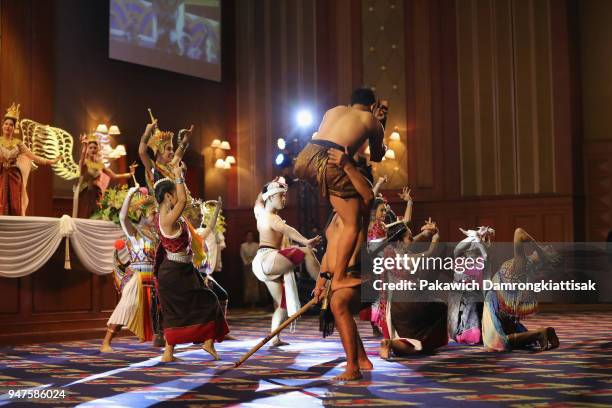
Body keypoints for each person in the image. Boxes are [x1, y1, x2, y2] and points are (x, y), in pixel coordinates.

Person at [295, 87, 386, 381]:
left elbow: (369, 196)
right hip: (340, 268)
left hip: (306, 157)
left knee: (337, 305)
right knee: (337, 303)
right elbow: (378, 153)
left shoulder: (334, 110)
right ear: (371, 107)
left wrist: (348, 164)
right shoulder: (344, 209)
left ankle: (357, 363)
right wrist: (324, 277)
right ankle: (357, 361)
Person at [153, 166, 229, 362]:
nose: (179, 199)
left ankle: (169, 353)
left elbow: (184, 199)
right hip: (174, 272)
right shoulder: (168, 218)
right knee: (208, 301)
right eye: (175, 195)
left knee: (176, 311)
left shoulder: (165, 216)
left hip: (179, 270)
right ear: (169, 197)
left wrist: (179, 176)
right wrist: (178, 175)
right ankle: (205, 342)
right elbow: (184, 199)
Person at [252, 177, 321, 346]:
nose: (284, 199)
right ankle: (324, 283)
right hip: (268, 258)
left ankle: (274, 338)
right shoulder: (272, 217)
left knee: (282, 305)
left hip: (261, 264)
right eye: (280, 196)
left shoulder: (260, 212)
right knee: (307, 252)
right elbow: (287, 230)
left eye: (284, 196)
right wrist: (305, 241)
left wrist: (268, 185)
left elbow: (258, 200)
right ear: (270, 198)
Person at [100, 183, 161, 352]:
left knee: (158, 307)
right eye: (152, 213)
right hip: (137, 277)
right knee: (126, 306)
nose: (155, 216)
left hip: (153, 277)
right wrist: (130, 195)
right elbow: (122, 217)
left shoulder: (157, 235)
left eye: (156, 213)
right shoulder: (135, 231)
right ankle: (106, 342)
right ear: (142, 213)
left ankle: (163, 339)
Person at [482, 228, 560, 352]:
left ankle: (540, 333)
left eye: (545, 249)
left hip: (495, 304)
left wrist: (536, 245)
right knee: (511, 339)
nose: (543, 247)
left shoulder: (523, 263)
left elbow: (518, 232)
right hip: (502, 307)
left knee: (496, 343)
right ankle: (541, 334)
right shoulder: (527, 267)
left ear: (541, 256)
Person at [378, 219, 447, 358]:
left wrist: (424, 234)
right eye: (410, 236)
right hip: (410, 304)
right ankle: (422, 343)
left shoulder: (390, 252)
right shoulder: (407, 258)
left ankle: (391, 343)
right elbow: (430, 253)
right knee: (441, 307)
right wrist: (435, 238)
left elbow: (408, 242)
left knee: (406, 343)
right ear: (399, 241)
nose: (413, 238)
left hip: (396, 306)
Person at [0, 103, 60, 215]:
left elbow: (33, 157)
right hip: (1, 175)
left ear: (14, 128)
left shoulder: (18, 143)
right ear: (2, 126)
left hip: (14, 176)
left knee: (14, 204)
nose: (8, 126)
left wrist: (51, 161)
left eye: (11, 125)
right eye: (6, 124)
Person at [448, 226, 495, 345]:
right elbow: (458, 249)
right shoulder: (460, 256)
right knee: (473, 301)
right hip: (462, 293)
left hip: (477, 291)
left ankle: (484, 329)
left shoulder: (483, 258)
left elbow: (486, 257)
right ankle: (466, 331)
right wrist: (475, 237)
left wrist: (477, 237)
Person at [74, 134, 133, 218]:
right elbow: (83, 155)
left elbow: (114, 176)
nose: (93, 150)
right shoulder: (84, 163)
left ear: (97, 149)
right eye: (90, 148)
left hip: (97, 193)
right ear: (87, 150)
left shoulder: (100, 165)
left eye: (94, 147)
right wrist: (85, 144)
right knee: (85, 215)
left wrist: (129, 174)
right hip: (86, 193)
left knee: (96, 215)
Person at [138, 118, 192, 191]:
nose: (172, 152)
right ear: (159, 151)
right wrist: (147, 132)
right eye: (168, 149)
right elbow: (142, 152)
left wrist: (185, 140)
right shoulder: (154, 169)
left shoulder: (171, 165)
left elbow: (178, 155)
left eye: (172, 149)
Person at [241, 231, 263, 307]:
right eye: (248, 235)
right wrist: (246, 263)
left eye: (251, 235)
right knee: (247, 283)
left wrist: (253, 262)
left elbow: (258, 254)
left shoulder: (256, 245)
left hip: (255, 265)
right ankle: (247, 301)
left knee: (255, 283)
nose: (249, 237)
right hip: (246, 266)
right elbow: (242, 255)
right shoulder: (243, 245)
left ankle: (255, 301)